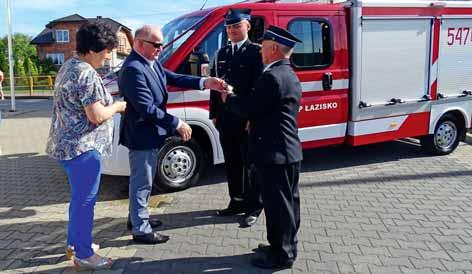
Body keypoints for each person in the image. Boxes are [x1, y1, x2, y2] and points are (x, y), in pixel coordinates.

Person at [119, 25, 226, 244]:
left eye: (161, 44)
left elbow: (173, 77)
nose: (161, 48)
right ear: (139, 43)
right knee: (142, 181)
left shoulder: (150, 62)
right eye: (156, 45)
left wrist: (205, 82)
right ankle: (140, 230)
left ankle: (137, 218)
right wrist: (177, 123)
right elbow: (146, 108)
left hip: (151, 133)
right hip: (141, 135)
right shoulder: (132, 69)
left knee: (144, 181)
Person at [219, 25, 303, 269]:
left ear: (274, 49)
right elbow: (266, 109)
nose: (260, 52)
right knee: (287, 205)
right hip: (285, 151)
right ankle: (281, 246)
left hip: (275, 153)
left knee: (279, 208)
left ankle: (282, 255)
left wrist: (229, 97)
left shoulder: (272, 76)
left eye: (264, 47)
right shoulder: (286, 73)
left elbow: (250, 107)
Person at [46, 22, 126, 270]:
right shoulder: (87, 73)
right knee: (85, 202)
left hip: (65, 146)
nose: (107, 56)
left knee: (78, 199)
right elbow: (96, 115)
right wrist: (118, 106)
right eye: (106, 51)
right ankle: (83, 253)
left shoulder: (69, 66)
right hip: (83, 148)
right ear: (93, 49)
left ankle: (74, 243)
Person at [209, 8, 264, 227]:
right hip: (225, 119)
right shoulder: (221, 54)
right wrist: (214, 114)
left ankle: (253, 207)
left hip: (246, 119)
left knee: (250, 164)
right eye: (229, 27)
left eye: (236, 25)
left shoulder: (256, 52)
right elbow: (215, 86)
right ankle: (237, 201)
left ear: (248, 26)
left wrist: (254, 117)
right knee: (231, 162)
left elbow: (259, 88)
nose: (232, 30)